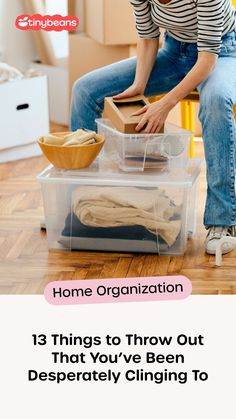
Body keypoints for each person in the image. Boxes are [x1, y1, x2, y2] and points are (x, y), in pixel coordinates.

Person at [71, 0, 236, 255]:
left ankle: (221, 221)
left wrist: (166, 104)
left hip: (221, 53)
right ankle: (82, 203)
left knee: (216, 101)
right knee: (84, 89)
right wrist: (139, 84)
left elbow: (207, 60)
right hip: (173, 53)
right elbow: (148, 37)